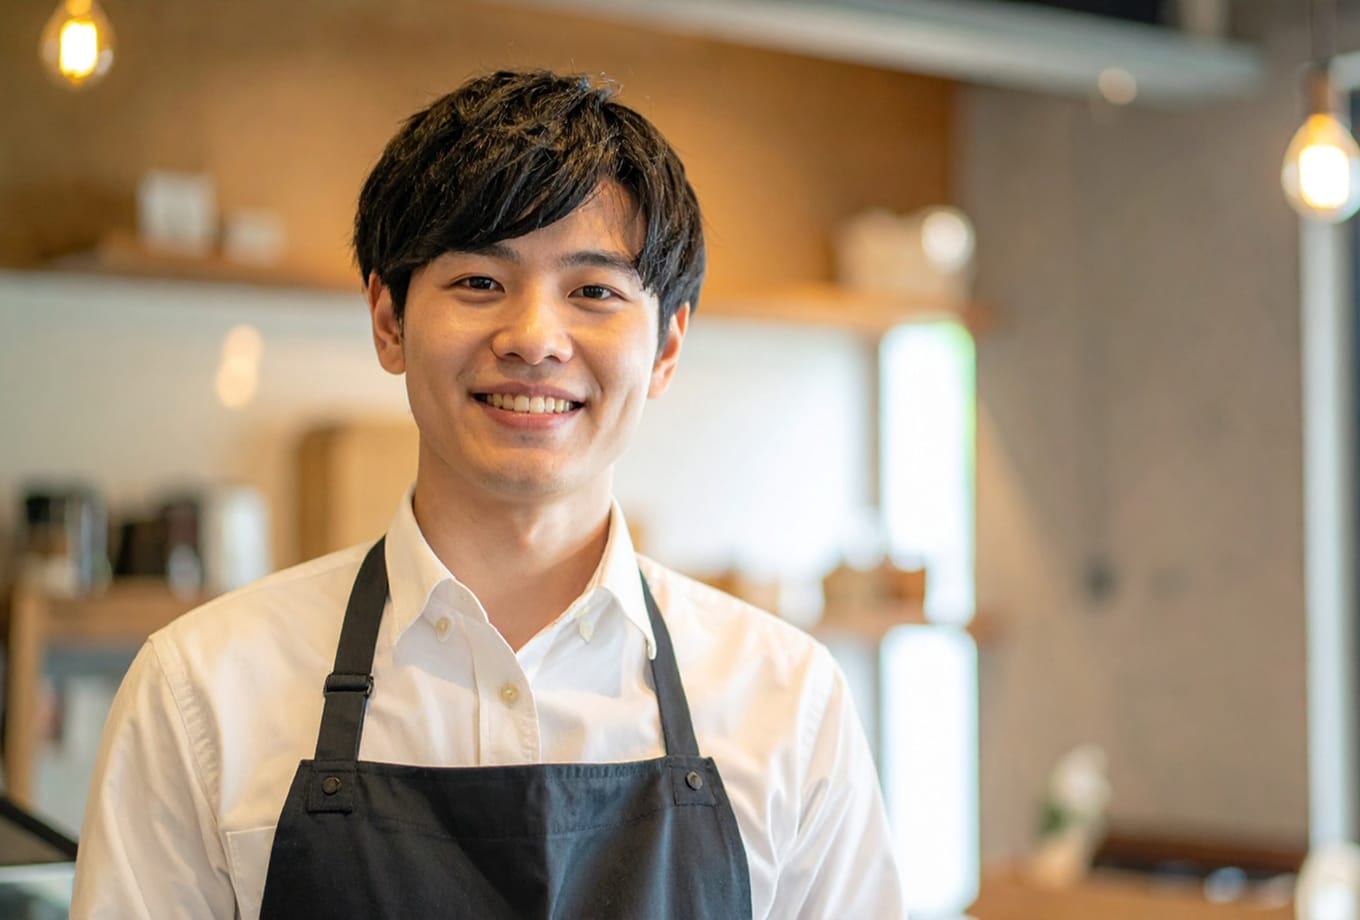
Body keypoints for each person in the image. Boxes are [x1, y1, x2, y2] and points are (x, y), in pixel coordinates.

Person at [72, 69, 907, 919]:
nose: (535, 339)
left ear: (666, 349)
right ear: (389, 321)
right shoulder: (201, 692)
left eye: (594, 292)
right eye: (479, 282)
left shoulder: (787, 700)